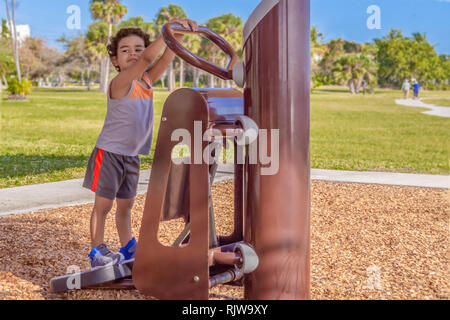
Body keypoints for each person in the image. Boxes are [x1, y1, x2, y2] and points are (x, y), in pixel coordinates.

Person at [82, 19, 198, 268]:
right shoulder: (120, 83)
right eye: (125, 50)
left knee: (126, 206)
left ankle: (128, 247)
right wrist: (167, 30)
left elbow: (165, 59)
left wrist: (177, 35)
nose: (133, 54)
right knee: (103, 206)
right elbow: (147, 59)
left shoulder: (145, 82)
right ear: (115, 60)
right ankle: (97, 251)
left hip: (131, 156)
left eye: (138, 48)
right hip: (110, 152)